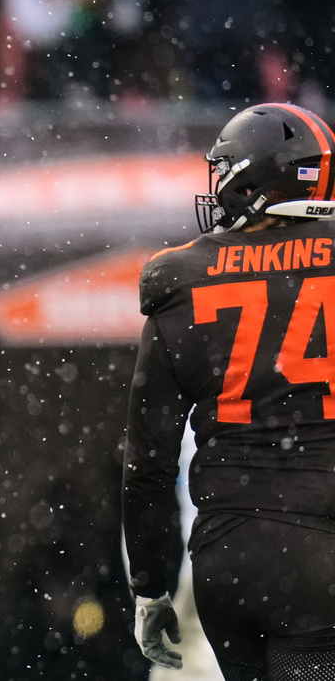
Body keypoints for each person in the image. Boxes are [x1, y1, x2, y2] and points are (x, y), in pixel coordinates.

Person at [122, 102, 335, 679]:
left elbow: (147, 465)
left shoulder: (180, 279)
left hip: (225, 555)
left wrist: (148, 588)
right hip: (319, 551)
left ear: (253, 180)